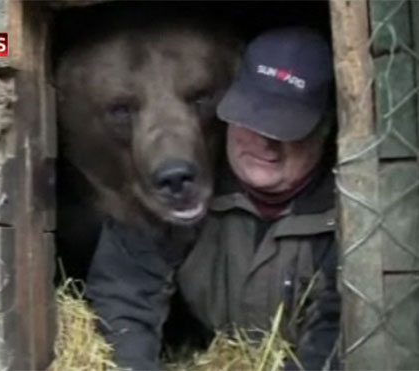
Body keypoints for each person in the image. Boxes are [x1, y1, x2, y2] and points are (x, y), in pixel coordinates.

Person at [86, 27, 340, 371]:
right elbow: (124, 297)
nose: (264, 143)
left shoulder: (344, 212)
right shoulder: (183, 178)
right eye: (253, 117)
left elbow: (333, 339)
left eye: (284, 126)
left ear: (323, 129)